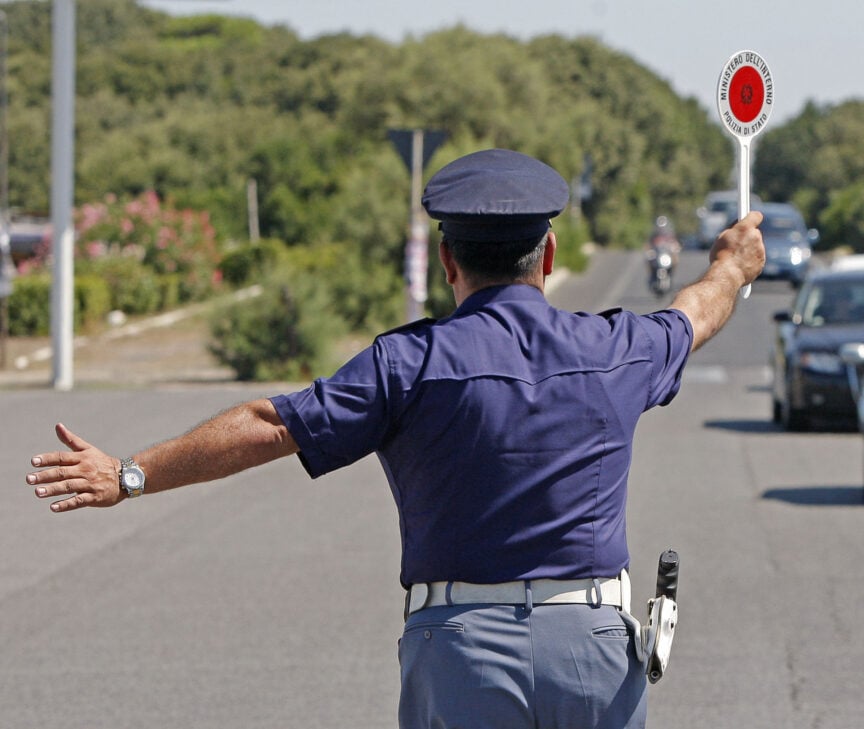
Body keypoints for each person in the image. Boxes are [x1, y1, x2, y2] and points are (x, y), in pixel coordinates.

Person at [24, 148, 765, 729]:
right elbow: (697, 311)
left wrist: (129, 474)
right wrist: (734, 262)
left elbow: (270, 424)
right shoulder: (615, 348)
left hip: (462, 654)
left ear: (448, 262)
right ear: (547, 252)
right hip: (595, 653)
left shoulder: (407, 363)